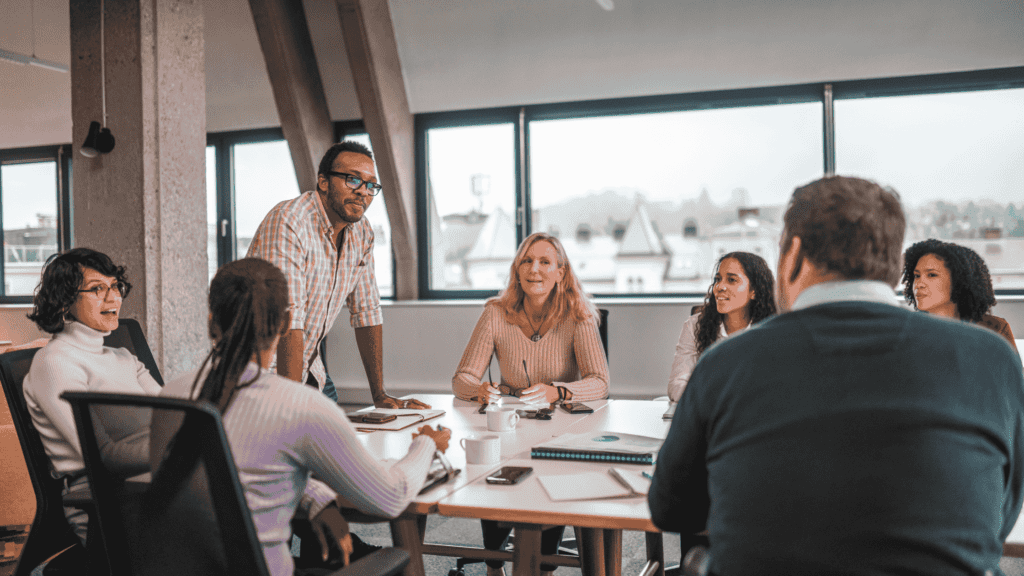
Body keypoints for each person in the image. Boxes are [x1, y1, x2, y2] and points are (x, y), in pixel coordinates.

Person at [648, 176, 1024, 575]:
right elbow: (998, 514)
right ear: (894, 262)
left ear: (792, 254)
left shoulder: (726, 364)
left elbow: (673, 509)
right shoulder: (991, 358)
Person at [160, 258, 451, 576]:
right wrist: (425, 445)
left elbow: (227, 480)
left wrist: (314, 495)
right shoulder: (302, 406)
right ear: (286, 323)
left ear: (211, 322)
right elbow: (390, 497)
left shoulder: (170, 396)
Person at [452, 232, 609, 576]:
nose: (534, 269)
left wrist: (559, 391)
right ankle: (495, 564)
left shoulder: (577, 314)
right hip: (509, 426)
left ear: (561, 273)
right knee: (494, 469)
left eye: (544, 262)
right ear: (517, 269)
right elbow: (461, 377)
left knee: (548, 477)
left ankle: (546, 568)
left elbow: (600, 381)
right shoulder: (496, 313)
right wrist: (480, 390)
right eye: (527, 261)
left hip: (559, 430)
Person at [246, 140, 427, 409]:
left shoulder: (362, 232)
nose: (363, 192)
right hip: (259, 375)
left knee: (341, 440)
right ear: (323, 182)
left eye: (370, 185)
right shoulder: (289, 221)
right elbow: (288, 318)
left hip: (309, 368)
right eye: (352, 180)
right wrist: (290, 408)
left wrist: (379, 395)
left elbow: (367, 311)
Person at [22, 248, 157, 543]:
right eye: (97, 289)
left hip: (149, 484)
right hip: (104, 501)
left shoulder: (122, 356)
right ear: (65, 300)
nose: (113, 298)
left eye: (115, 286)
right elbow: (98, 455)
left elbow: (174, 415)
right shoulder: (55, 362)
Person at [666, 252, 776, 402]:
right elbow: (678, 382)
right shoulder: (694, 326)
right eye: (718, 279)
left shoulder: (772, 331)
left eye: (731, 280)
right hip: (707, 415)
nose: (720, 287)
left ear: (754, 291)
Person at [902, 239, 1017, 351]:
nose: (918, 284)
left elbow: (1012, 371)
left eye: (931, 275)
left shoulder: (996, 329)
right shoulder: (904, 332)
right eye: (917, 276)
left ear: (959, 280)